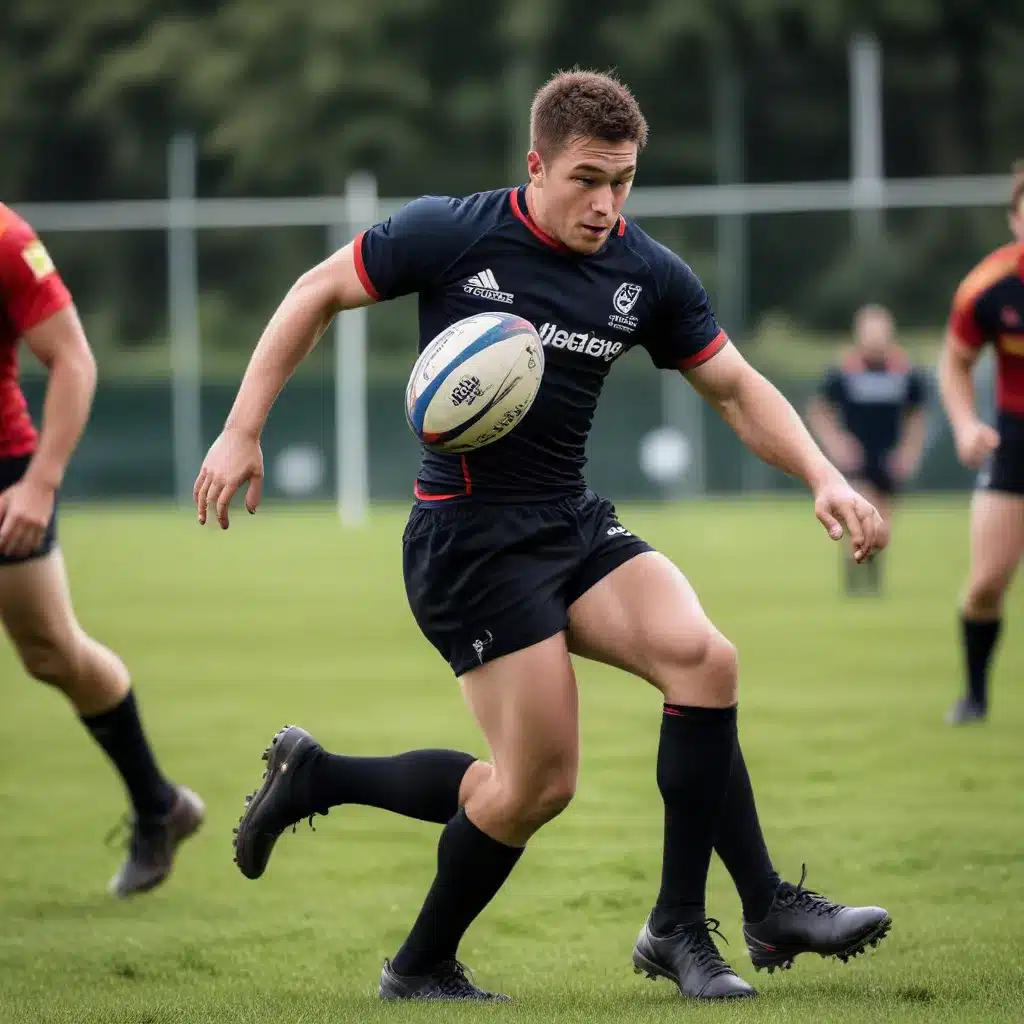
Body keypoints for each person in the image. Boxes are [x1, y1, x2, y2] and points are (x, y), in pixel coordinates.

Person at [196, 70, 891, 1002]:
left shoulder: (645, 272)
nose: (606, 204)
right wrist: (242, 428)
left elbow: (733, 386)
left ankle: (710, 918)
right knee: (534, 787)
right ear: (537, 166)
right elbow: (315, 291)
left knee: (704, 660)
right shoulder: (454, 233)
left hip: (571, 519)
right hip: (468, 543)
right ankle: (409, 949)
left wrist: (824, 475)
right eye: (586, 180)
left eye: (624, 181)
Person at [0, 202, 204, 896]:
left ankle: (158, 805)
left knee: (50, 652)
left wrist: (40, 483)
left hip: (6, 476)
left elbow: (73, 359)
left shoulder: (7, 241)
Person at [939, 160, 1024, 725]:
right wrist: (967, 424)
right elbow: (955, 362)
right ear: (1015, 220)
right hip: (1015, 437)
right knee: (986, 584)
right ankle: (974, 697)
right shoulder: (988, 288)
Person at [807, 304, 928, 594]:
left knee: (882, 524)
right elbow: (819, 410)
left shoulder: (905, 371)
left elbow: (916, 416)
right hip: (857, 459)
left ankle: (869, 576)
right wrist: (838, 444)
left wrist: (909, 452)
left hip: (889, 458)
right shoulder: (844, 371)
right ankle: (856, 579)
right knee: (862, 515)